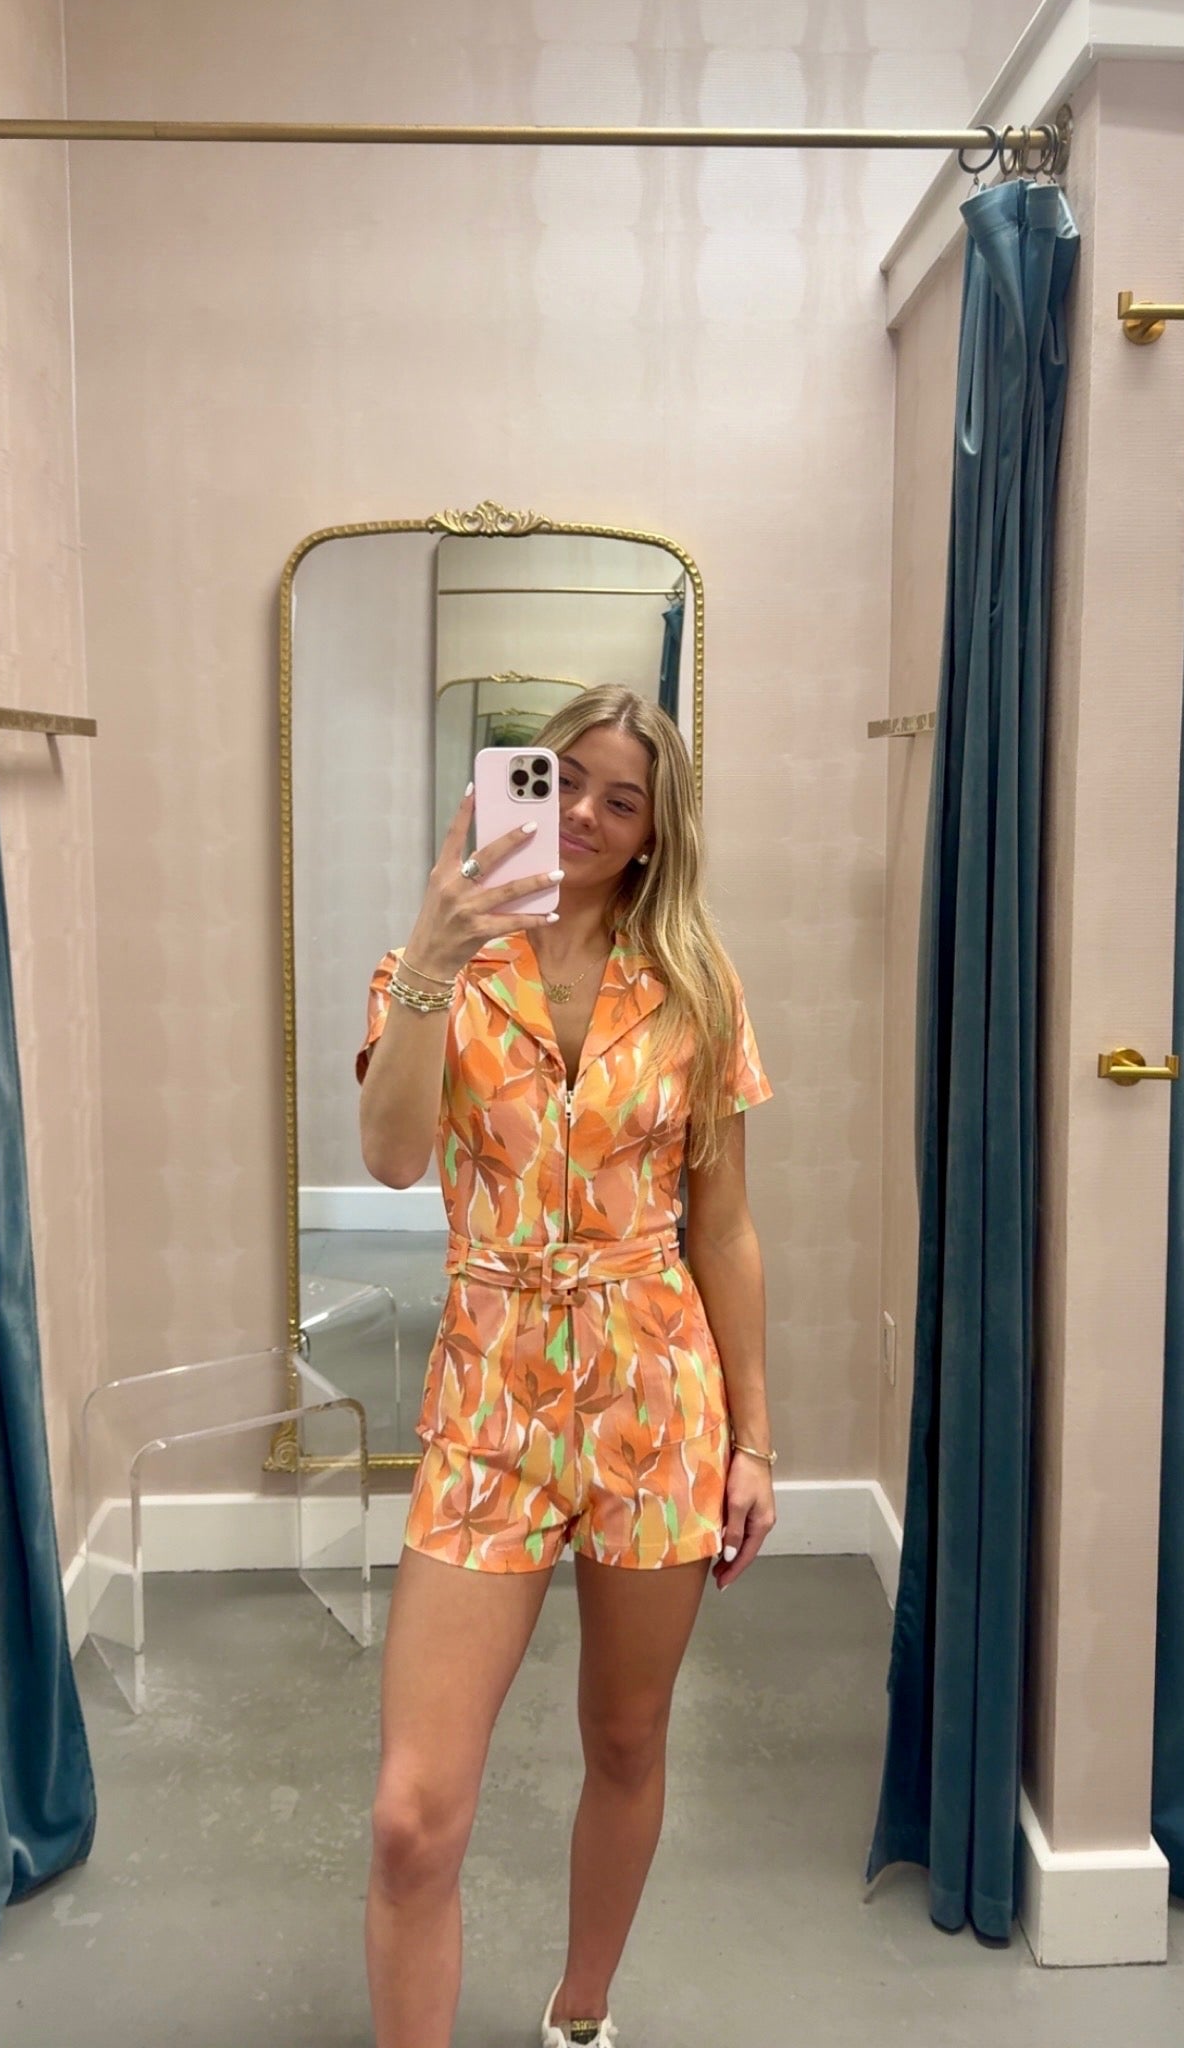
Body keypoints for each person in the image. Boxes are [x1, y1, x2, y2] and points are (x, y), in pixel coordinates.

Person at [357, 684, 775, 2048]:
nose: (586, 813)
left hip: (657, 1398)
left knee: (627, 1739)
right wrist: (435, 951)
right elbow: (391, 1157)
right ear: (514, 786)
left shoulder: (697, 986)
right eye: (564, 780)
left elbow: (724, 1225)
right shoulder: (434, 966)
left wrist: (755, 1441)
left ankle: (582, 2011)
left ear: (655, 832)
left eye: (622, 798)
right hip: (489, 1400)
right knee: (412, 1815)